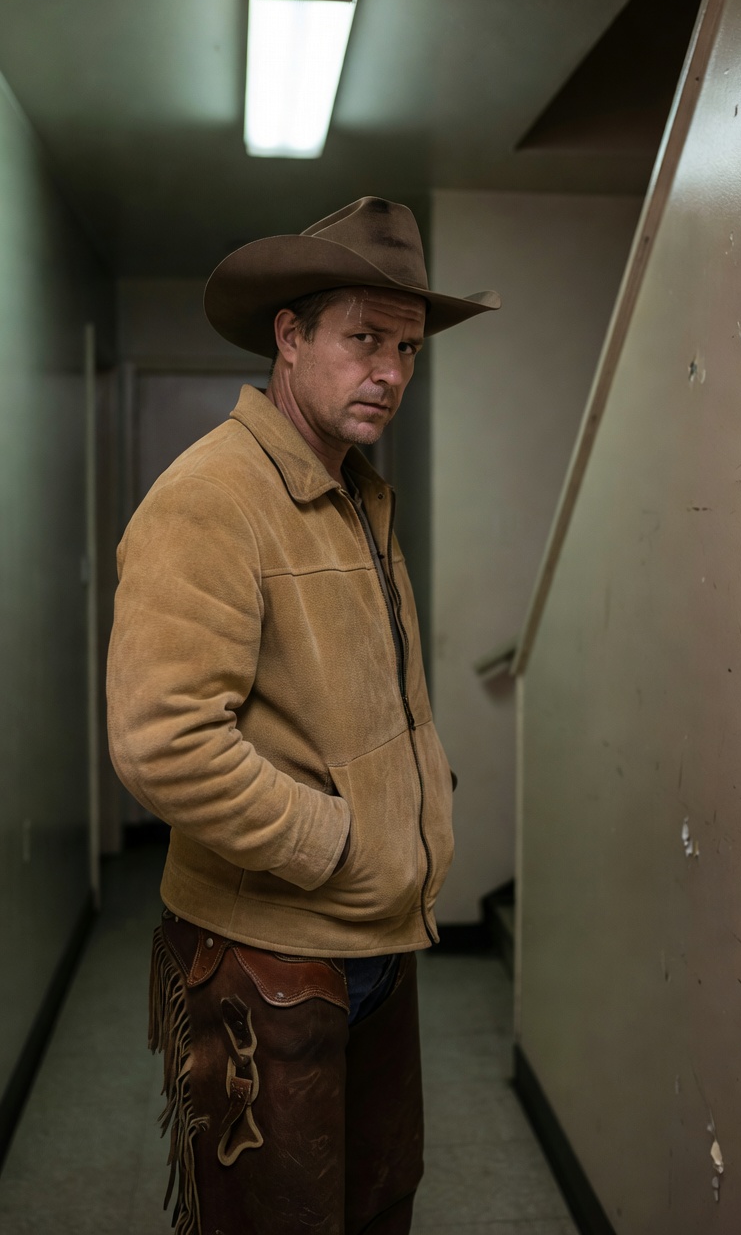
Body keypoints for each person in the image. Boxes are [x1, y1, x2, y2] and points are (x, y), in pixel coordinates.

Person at [106, 196, 499, 1235]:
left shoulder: (356, 491)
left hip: (377, 940)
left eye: (408, 348)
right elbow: (163, 743)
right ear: (290, 336)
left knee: (376, 1202)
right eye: (365, 339)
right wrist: (337, 842)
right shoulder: (212, 497)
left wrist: (414, 804)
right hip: (268, 953)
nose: (392, 372)